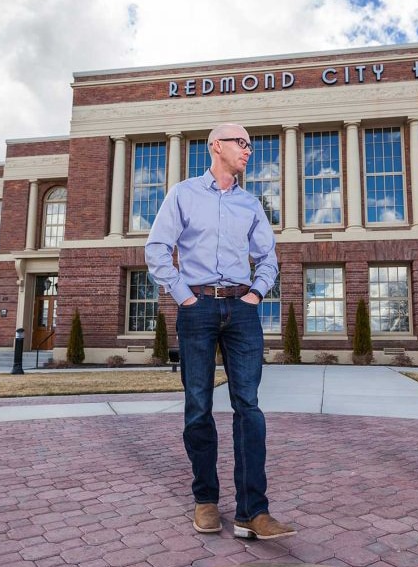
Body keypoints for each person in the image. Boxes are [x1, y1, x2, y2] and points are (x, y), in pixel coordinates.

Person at [145, 123, 293, 540]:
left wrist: (256, 295)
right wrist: (183, 296)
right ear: (216, 147)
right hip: (198, 308)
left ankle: (253, 511)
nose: (249, 151)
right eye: (241, 143)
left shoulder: (250, 203)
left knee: (249, 407)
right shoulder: (184, 194)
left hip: (242, 310)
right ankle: (206, 500)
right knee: (198, 406)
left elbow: (268, 257)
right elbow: (157, 248)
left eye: (250, 145)